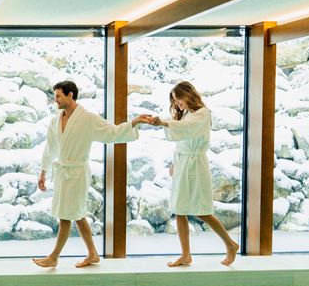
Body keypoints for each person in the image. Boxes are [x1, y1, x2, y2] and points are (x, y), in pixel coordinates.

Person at [33, 81, 153, 268]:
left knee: (66, 216)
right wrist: (43, 172)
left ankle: (54, 257)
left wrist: (134, 122)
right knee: (76, 215)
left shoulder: (87, 119)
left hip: (77, 173)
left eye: (58, 96)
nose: (55, 100)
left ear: (70, 95)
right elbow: (50, 149)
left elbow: (112, 132)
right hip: (63, 172)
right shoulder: (55, 121)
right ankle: (93, 254)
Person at [149, 81, 239, 267]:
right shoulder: (186, 114)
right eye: (174, 101)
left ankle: (230, 244)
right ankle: (185, 255)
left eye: (178, 99)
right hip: (183, 162)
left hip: (195, 165)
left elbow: (188, 129)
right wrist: (175, 163)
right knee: (179, 209)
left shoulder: (202, 113)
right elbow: (182, 138)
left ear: (188, 95)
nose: (176, 104)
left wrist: (163, 122)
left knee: (202, 211)